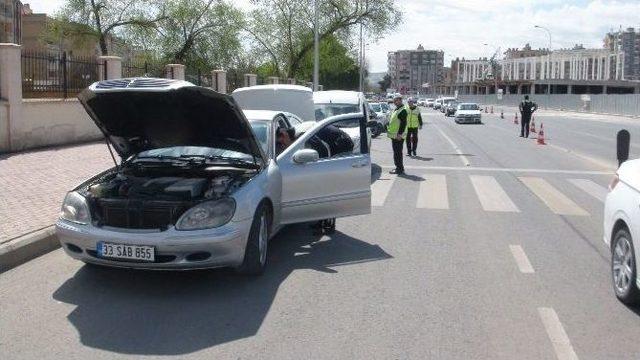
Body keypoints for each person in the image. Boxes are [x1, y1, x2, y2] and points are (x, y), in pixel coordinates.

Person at [388, 95, 408, 174]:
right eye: (395, 100)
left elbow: (403, 123)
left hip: (398, 136)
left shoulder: (402, 110)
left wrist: (399, 134)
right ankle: (399, 167)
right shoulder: (397, 109)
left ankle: (399, 168)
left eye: (397, 100)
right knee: (397, 152)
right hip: (394, 136)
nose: (395, 102)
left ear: (400, 100)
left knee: (397, 153)